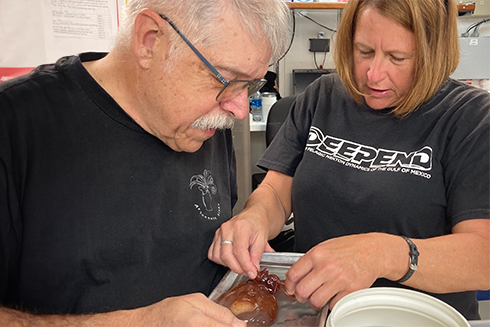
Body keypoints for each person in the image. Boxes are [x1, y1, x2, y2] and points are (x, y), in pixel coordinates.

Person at [0, 0, 291, 326]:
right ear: (150, 40)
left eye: (250, 85)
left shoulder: (204, 122)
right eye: (225, 79)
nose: (239, 109)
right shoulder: (16, 126)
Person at [209, 0, 490, 321]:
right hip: (314, 312)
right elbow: (274, 192)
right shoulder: (322, 97)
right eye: (364, 51)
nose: (373, 74)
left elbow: (483, 257)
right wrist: (255, 217)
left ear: (433, 53)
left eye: (397, 58)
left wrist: (383, 253)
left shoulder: (471, 118)